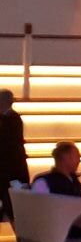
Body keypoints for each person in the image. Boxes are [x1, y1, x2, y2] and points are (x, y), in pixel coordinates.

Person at [0, 89, 29, 223]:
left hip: (9, 172)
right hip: (12, 171)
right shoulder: (14, 119)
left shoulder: (10, 120)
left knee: (10, 205)